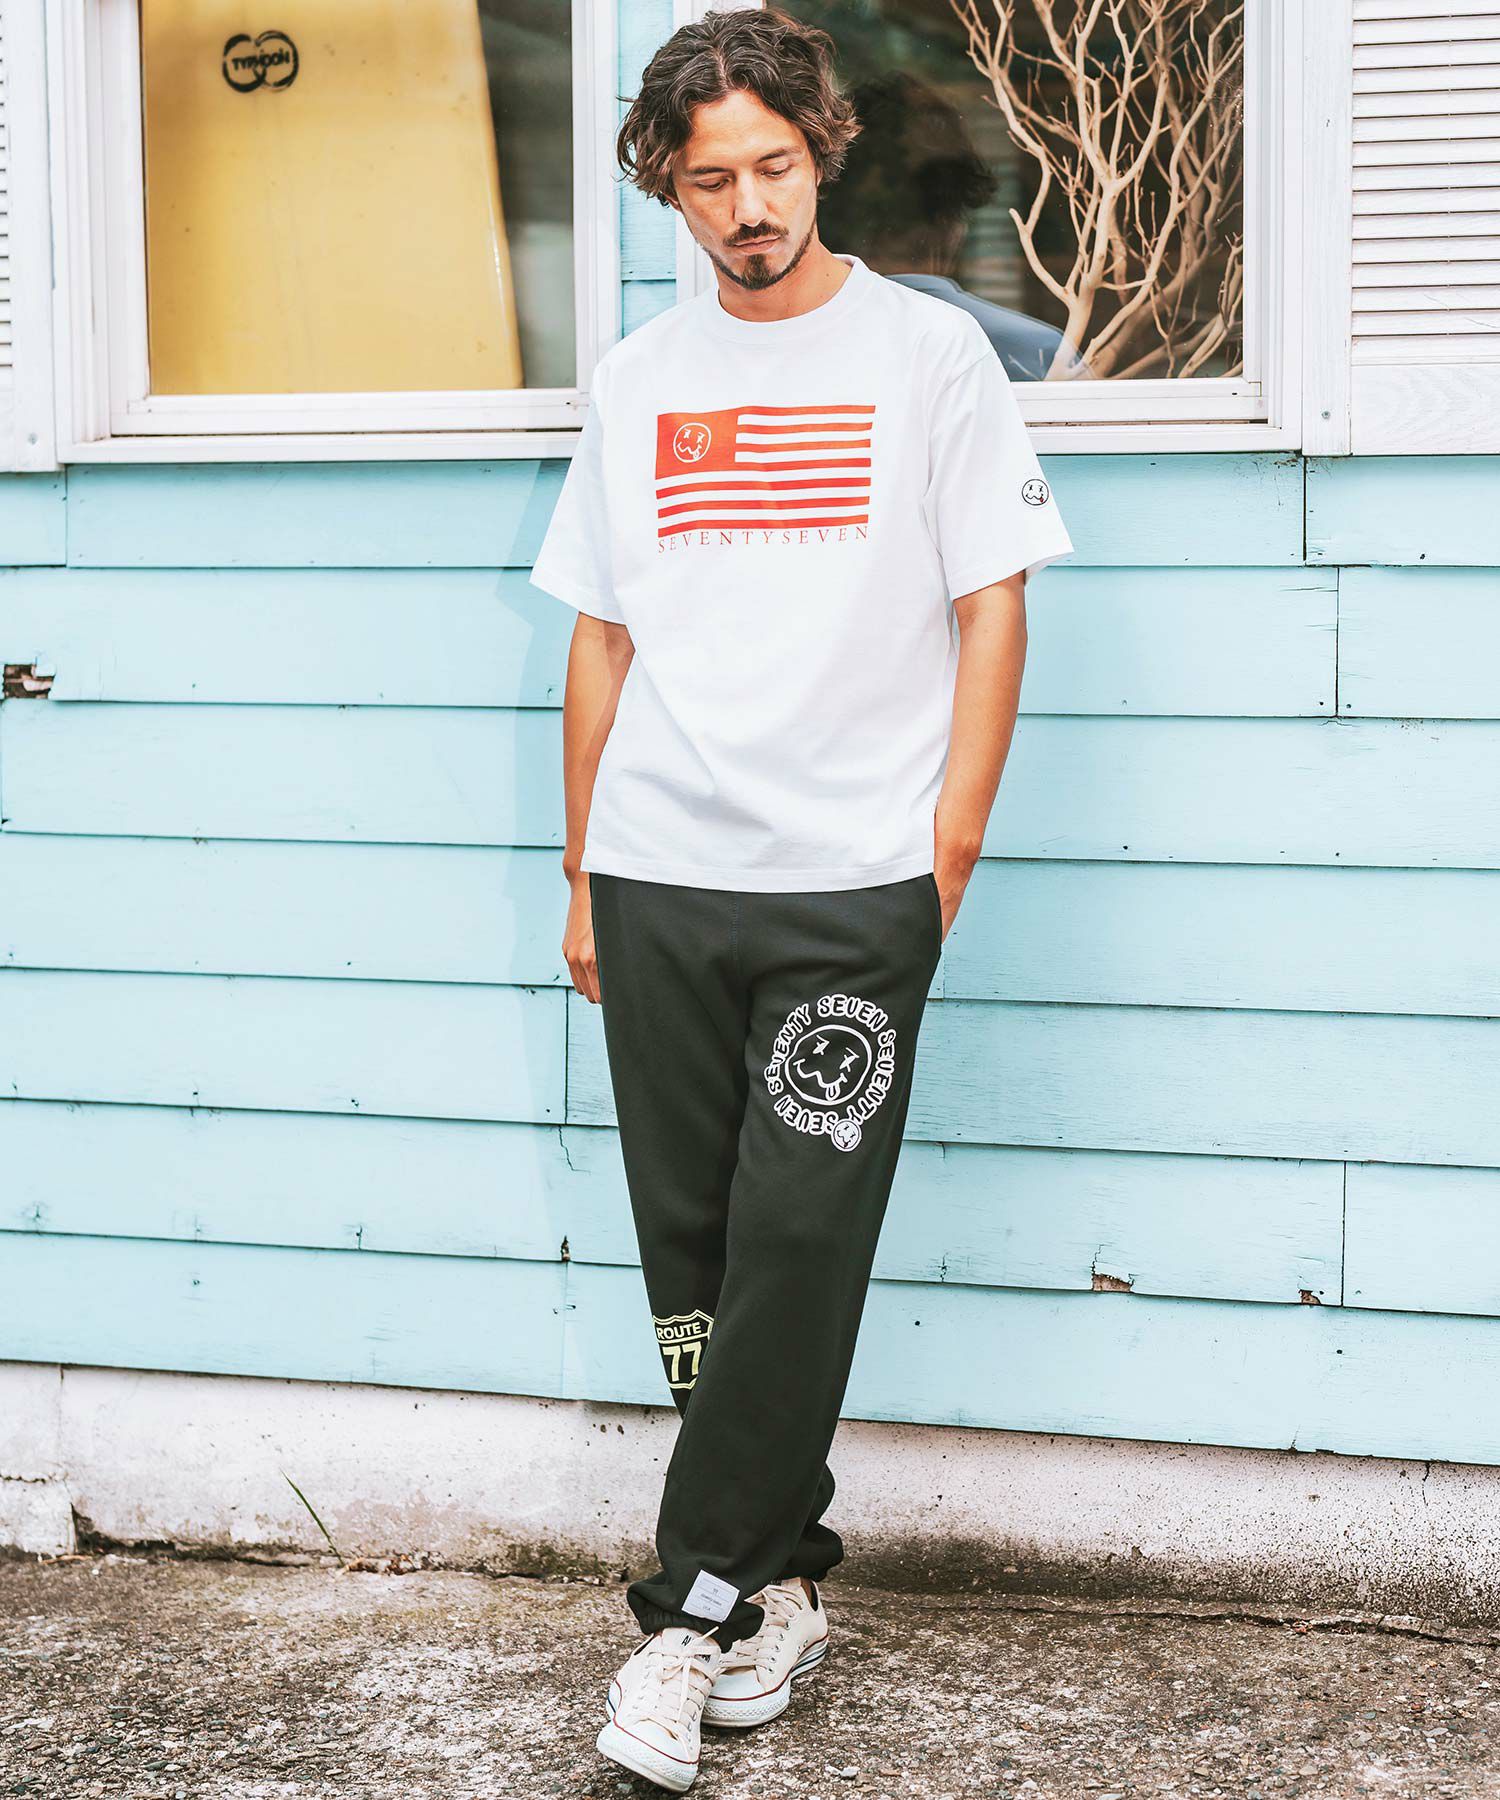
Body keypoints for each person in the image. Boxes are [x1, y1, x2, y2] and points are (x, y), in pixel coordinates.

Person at [527, 8, 1074, 1791]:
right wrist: (583, 871)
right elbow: (601, 640)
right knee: (691, 1253)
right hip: (661, 869)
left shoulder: (929, 355)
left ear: (821, 151)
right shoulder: (639, 379)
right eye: (712, 180)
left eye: (773, 165)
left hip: (852, 882)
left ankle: (686, 1615)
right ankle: (783, 1579)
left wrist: (947, 850)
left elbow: (994, 604)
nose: (749, 205)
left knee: (798, 1241)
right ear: (668, 189)